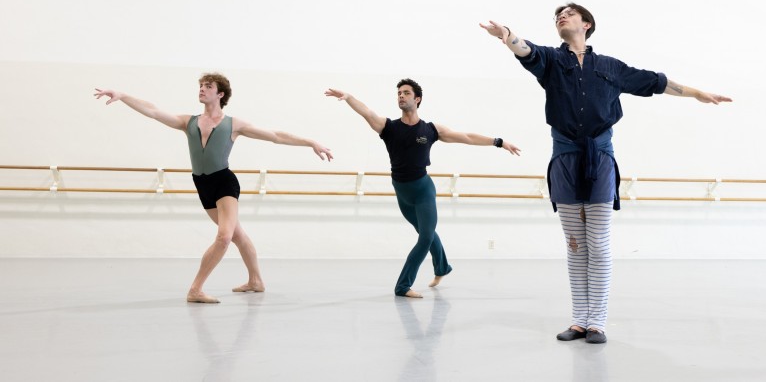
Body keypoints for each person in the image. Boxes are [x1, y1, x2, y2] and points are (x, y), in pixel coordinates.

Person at [480, 4, 731, 343]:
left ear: (587, 24)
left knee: (597, 244)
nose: (561, 17)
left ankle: (596, 321)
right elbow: (526, 51)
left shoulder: (610, 67)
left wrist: (696, 92)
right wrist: (506, 35)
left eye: (570, 13)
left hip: (599, 158)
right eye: (558, 15)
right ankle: (579, 320)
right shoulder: (552, 61)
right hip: (565, 158)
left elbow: (655, 82)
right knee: (575, 245)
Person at [95, 73, 333, 304]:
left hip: (224, 182)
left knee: (224, 237)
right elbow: (154, 111)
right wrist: (123, 95)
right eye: (201, 85)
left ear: (220, 94)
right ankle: (256, 281)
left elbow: (275, 136)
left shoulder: (233, 125)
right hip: (202, 184)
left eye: (208, 86)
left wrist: (310, 142)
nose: (202, 89)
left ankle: (195, 289)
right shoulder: (188, 122)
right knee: (237, 235)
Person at [325, 79, 521, 298]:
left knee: (425, 237)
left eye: (406, 93)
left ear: (417, 99)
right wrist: (349, 98)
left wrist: (498, 141)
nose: (401, 96)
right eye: (399, 93)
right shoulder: (388, 127)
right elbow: (367, 112)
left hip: (423, 190)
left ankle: (402, 286)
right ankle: (442, 268)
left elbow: (466, 137)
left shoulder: (430, 130)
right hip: (402, 192)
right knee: (426, 233)